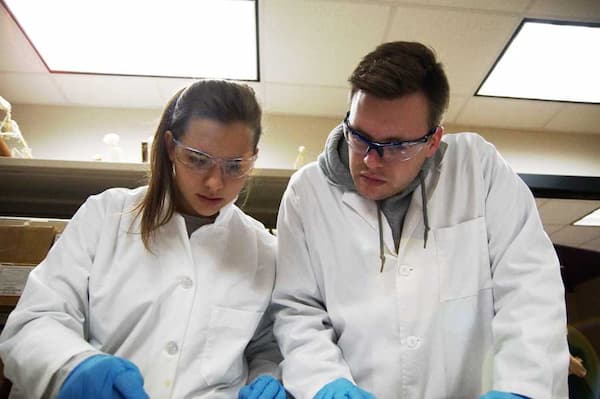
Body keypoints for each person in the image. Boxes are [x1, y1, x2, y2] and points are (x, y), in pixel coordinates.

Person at [272, 41, 569, 398]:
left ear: (432, 141)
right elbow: (297, 308)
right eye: (360, 137)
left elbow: (531, 288)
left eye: (396, 146)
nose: (370, 161)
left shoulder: (477, 169)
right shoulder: (307, 193)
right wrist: (324, 382)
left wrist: (522, 387)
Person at [0, 80, 285, 399]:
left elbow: (265, 347)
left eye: (235, 166)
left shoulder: (264, 250)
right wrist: (74, 367)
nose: (215, 182)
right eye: (198, 159)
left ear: (253, 159)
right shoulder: (106, 215)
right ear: (170, 146)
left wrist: (267, 377)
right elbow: (36, 319)